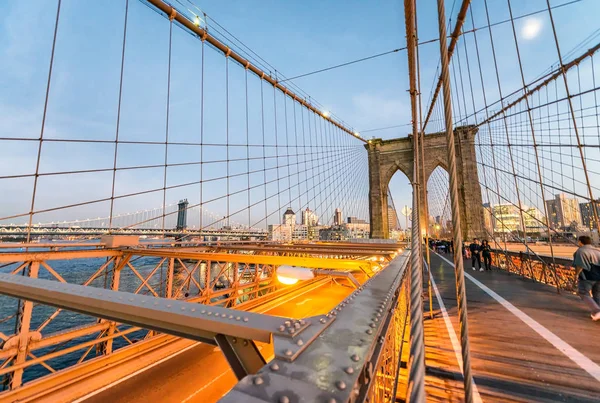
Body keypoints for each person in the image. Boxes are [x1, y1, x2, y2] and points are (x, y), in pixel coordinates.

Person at [572, 235, 600, 321]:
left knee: (583, 293)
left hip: (587, 276)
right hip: (599, 276)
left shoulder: (581, 251)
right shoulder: (597, 251)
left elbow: (580, 265)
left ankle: (597, 310)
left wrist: (576, 275)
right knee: (597, 294)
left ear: (580, 242)